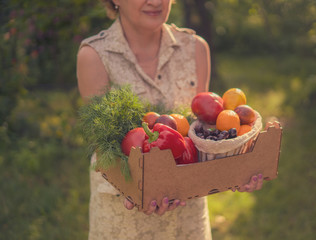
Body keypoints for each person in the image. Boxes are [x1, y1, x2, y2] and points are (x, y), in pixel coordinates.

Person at [77, 0, 263, 239]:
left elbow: (201, 133)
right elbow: (104, 148)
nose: (155, 1)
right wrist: (136, 190)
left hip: (187, 220)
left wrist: (235, 169)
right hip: (123, 221)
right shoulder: (94, 55)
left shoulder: (195, 48)